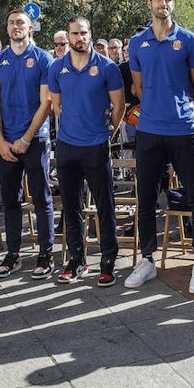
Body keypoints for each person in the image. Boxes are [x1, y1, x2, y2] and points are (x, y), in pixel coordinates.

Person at [124, 0, 194, 295]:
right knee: (145, 198)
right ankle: (146, 259)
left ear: (173, 4)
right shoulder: (137, 43)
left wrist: (183, 108)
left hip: (182, 128)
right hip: (148, 129)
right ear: (149, 3)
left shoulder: (189, 40)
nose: (163, 3)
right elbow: (137, 87)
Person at [47, 16, 125, 284]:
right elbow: (56, 106)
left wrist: (107, 134)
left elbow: (119, 107)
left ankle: (107, 261)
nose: (79, 38)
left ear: (91, 34)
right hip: (67, 147)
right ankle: (76, 260)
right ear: (67, 37)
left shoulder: (107, 67)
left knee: (105, 206)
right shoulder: (57, 68)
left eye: (84, 33)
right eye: (74, 33)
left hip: (96, 145)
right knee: (70, 207)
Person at [0, 10, 56, 279]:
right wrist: (1, 141)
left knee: (42, 198)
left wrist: (26, 138)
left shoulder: (42, 59)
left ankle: (45, 253)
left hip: (35, 139)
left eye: (20, 23)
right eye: (11, 23)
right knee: (10, 200)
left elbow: (46, 103)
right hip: (6, 141)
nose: (16, 27)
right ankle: (13, 254)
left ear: (31, 28)